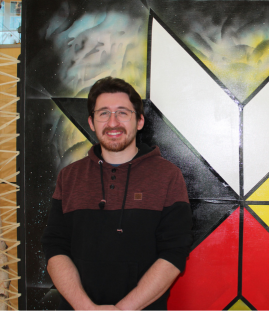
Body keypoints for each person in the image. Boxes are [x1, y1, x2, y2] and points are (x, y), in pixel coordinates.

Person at [42, 77, 193, 310]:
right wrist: (86, 308)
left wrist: (123, 309)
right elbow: (55, 248)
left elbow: (174, 254)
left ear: (140, 121)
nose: (113, 122)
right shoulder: (69, 177)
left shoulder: (168, 176)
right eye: (103, 113)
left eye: (123, 113)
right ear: (91, 122)